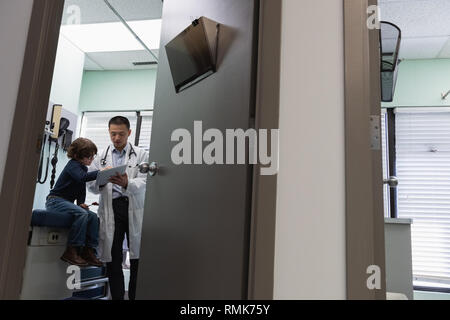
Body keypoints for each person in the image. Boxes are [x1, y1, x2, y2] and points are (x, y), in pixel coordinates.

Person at [87, 116, 149, 300]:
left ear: (129, 133)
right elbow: (90, 185)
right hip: (110, 208)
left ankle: (135, 296)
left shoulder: (141, 155)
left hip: (132, 207)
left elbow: (146, 181)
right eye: (113, 133)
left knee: (136, 258)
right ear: (109, 132)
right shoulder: (100, 157)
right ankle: (117, 298)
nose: (116, 138)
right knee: (113, 258)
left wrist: (127, 182)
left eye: (121, 134)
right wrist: (100, 182)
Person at [46, 138, 104, 267]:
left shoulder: (82, 167)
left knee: (93, 217)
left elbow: (80, 188)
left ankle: (89, 251)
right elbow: (82, 178)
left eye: (92, 157)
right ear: (77, 156)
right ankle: (72, 250)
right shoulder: (73, 165)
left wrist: (81, 203)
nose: (91, 160)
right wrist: (101, 172)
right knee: (82, 214)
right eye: (89, 157)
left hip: (66, 203)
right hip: (55, 200)